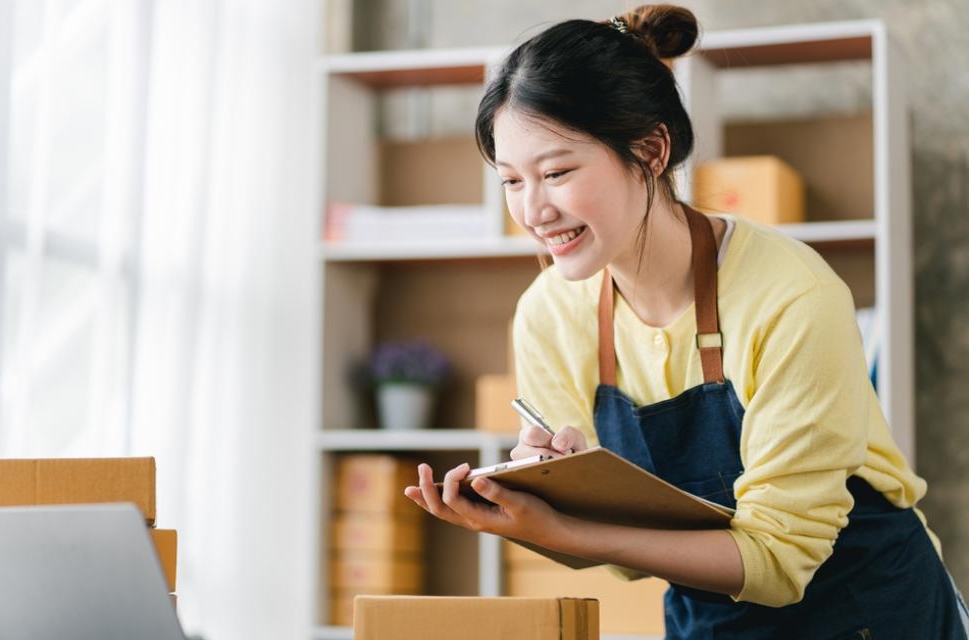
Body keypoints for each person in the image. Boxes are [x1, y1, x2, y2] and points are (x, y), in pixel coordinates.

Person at [402, 4, 969, 638]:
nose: (533, 210)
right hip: (709, 620)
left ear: (650, 149)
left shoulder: (791, 295)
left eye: (556, 172)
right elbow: (622, 561)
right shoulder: (548, 315)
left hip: (872, 611)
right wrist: (544, 500)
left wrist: (572, 525)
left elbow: (781, 563)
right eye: (511, 181)